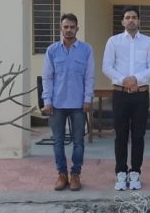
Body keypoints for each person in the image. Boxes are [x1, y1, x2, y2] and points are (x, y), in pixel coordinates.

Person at [102, 6, 150, 191]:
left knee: (138, 135)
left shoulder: (149, 42)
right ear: (122, 22)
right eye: (127, 17)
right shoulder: (113, 41)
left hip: (141, 94)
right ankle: (120, 172)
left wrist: (136, 79)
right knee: (120, 135)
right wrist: (124, 81)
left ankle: (135, 172)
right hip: (120, 94)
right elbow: (107, 67)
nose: (131, 20)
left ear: (139, 20)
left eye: (134, 17)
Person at [41, 13, 94, 192]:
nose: (69, 30)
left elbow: (89, 76)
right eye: (66, 27)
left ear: (77, 29)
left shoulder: (86, 50)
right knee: (58, 141)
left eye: (72, 27)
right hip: (57, 104)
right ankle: (62, 175)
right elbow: (47, 78)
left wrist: (88, 99)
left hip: (79, 104)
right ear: (61, 28)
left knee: (79, 142)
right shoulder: (52, 50)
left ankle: (75, 175)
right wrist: (47, 101)